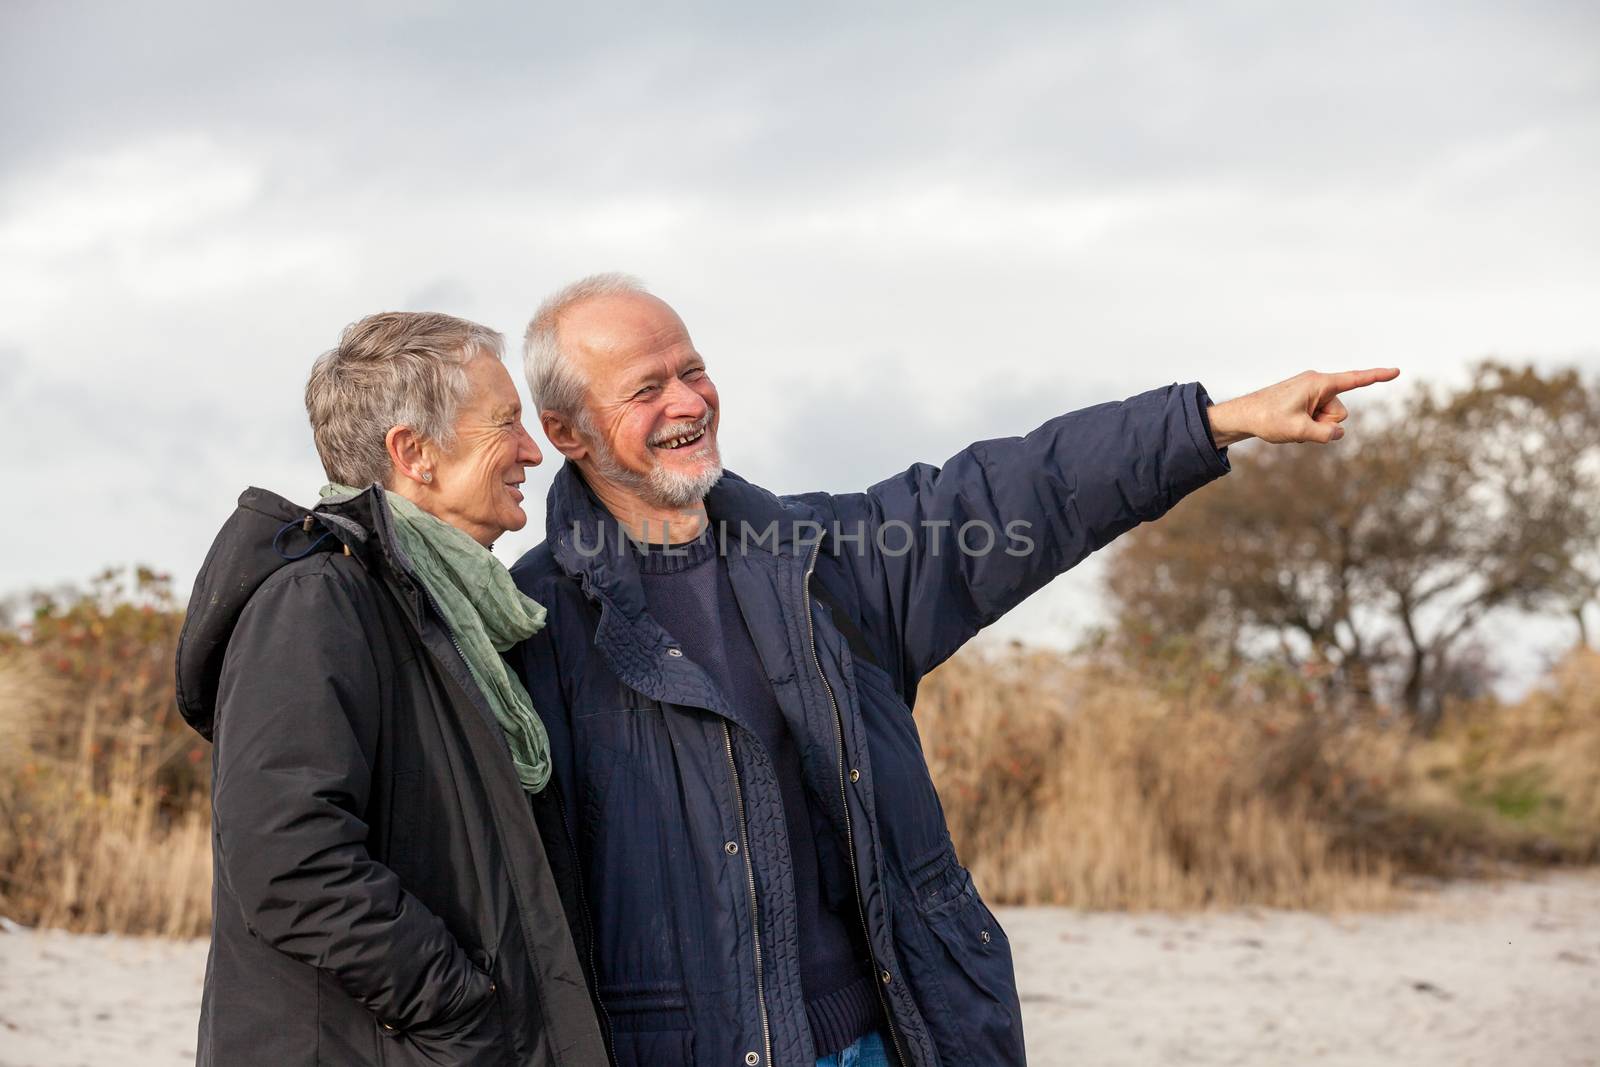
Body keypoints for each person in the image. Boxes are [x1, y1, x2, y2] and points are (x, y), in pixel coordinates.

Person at [506, 274, 1398, 1067]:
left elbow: (1016, 489)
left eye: (692, 369)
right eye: (646, 387)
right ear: (563, 430)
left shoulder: (825, 559)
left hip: (885, 1035)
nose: (688, 402)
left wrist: (1213, 421)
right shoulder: (527, 625)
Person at [175, 312, 608, 1067]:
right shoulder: (317, 600)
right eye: (505, 423)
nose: (532, 451)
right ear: (415, 452)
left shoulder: (449, 614)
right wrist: (463, 1011)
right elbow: (290, 860)